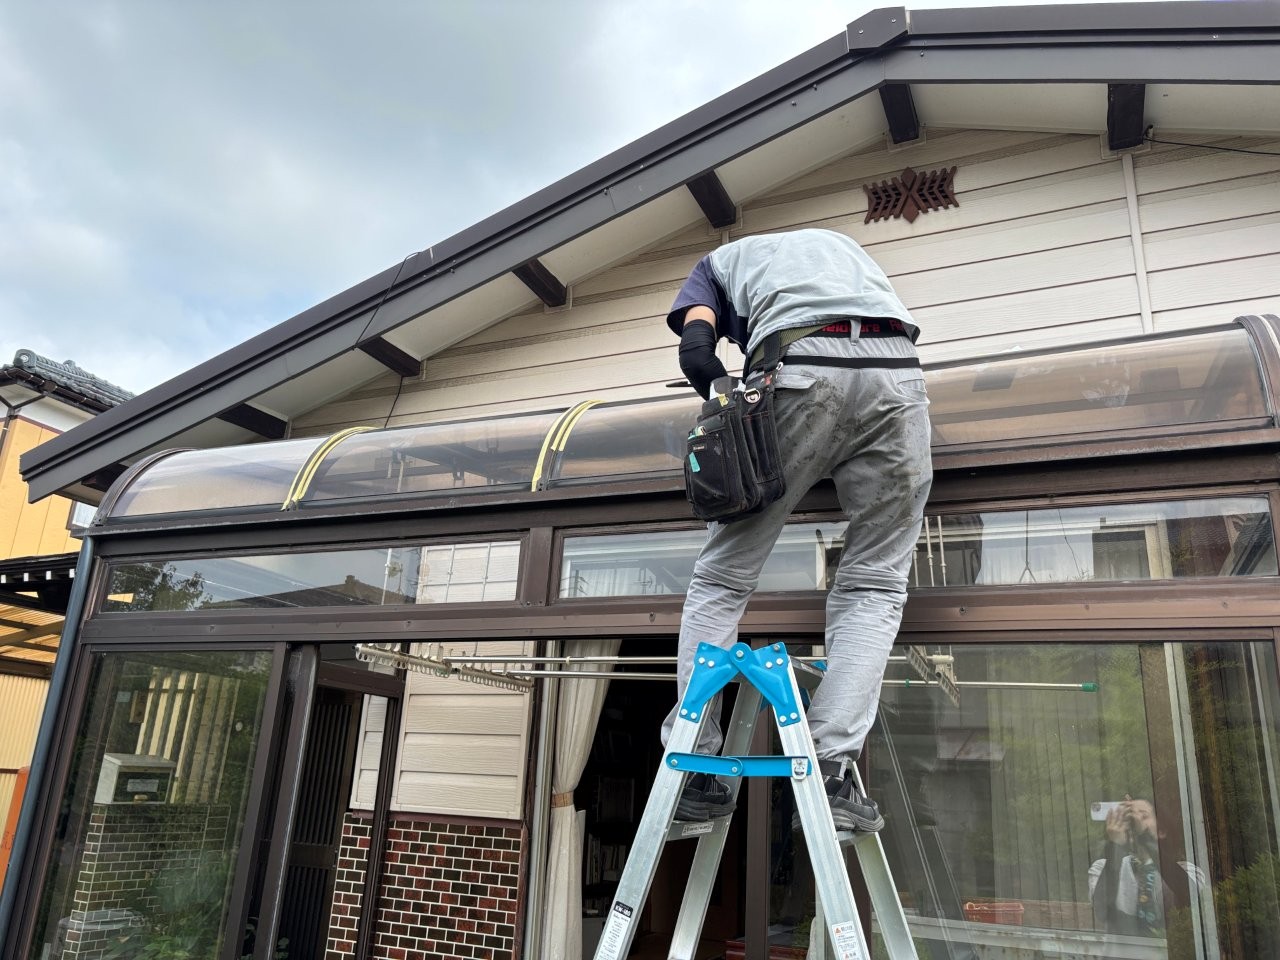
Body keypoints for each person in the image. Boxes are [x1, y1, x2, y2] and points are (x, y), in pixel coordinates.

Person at [659, 228, 933, 832]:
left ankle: (694, 764)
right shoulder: (835, 249)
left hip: (805, 362)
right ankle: (832, 772)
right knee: (875, 584)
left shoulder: (715, 264)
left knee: (722, 578)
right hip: (899, 375)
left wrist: (735, 414)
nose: (736, 334)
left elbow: (697, 351)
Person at [1088, 796, 1204, 937]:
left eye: (1143, 815)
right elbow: (1102, 912)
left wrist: (1145, 837)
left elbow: (1189, 895)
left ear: (1161, 831)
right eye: (1127, 817)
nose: (1134, 822)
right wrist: (1115, 846)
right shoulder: (1102, 867)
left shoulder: (1187, 870)